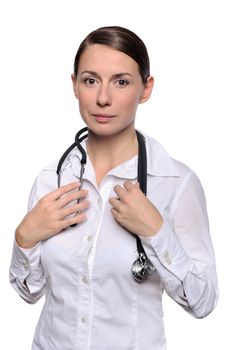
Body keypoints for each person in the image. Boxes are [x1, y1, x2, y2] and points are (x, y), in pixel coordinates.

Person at [9, 26, 218, 350]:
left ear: (145, 89)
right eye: (90, 80)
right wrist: (24, 238)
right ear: (75, 86)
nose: (103, 98)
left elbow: (202, 301)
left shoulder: (175, 183)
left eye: (121, 82)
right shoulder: (52, 179)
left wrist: (156, 232)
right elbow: (29, 292)